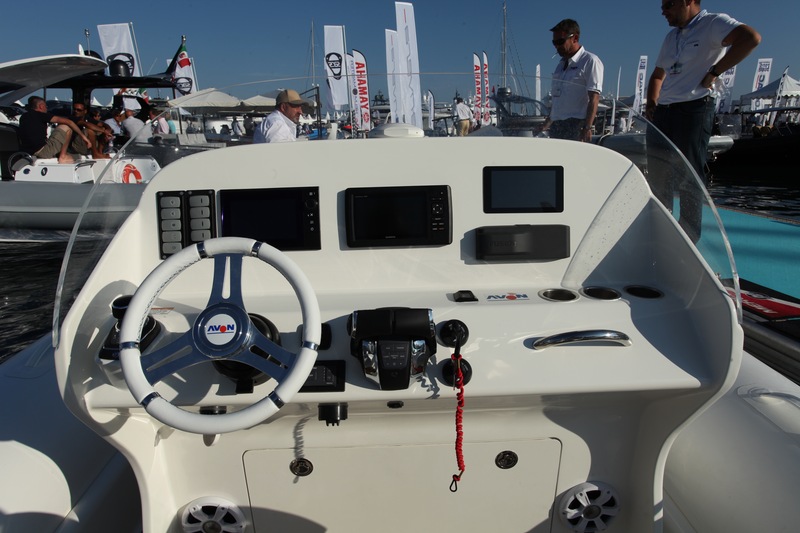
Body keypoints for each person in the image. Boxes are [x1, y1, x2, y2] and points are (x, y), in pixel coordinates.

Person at [645, 0, 760, 240]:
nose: (662, 10)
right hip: (664, 111)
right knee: (657, 173)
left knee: (688, 174)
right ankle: (659, 228)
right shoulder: (670, 37)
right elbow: (658, 75)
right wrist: (652, 104)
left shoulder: (713, 23)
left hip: (694, 107)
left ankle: (688, 236)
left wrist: (715, 72)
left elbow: (750, 38)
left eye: (668, 5)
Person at [541, 19, 604, 142]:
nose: (557, 46)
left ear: (574, 38)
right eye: (554, 42)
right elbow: (557, 100)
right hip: (557, 125)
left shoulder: (590, 61)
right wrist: (547, 124)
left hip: (576, 124)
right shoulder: (560, 65)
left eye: (560, 41)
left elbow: (594, 98)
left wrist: (587, 127)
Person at [17, 96, 91, 163]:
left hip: (27, 151)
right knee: (66, 127)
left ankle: (63, 154)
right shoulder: (41, 115)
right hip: (42, 151)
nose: (46, 108)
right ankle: (63, 156)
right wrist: (84, 137)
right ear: (41, 106)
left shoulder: (23, 116)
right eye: (46, 106)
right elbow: (69, 122)